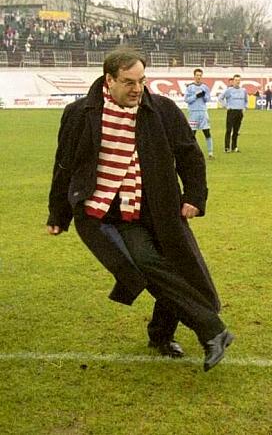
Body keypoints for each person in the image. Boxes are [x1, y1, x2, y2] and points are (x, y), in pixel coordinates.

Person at [46, 48, 234, 372]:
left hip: (149, 208)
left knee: (161, 264)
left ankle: (177, 334)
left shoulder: (161, 110)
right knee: (137, 271)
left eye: (142, 80)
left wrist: (195, 197)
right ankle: (211, 330)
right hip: (96, 211)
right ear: (109, 80)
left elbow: (190, 156)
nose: (137, 89)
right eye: (129, 82)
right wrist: (58, 214)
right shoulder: (79, 113)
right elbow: (64, 165)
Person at [184, 68, 214, 159]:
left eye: (200, 75)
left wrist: (204, 96)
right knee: (192, 134)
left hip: (203, 112)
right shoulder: (190, 87)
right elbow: (186, 100)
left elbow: (208, 99)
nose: (198, 77)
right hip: (193, 113)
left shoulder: (205, 87)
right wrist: (195, 96)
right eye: (197, 75)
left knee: (207, 132)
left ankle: (210, 153)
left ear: (202, 76)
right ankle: (192, 153)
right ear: (194, 76)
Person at [218, 74, 247, 153]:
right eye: (236, 80)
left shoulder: (243, 90)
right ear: (233, 81)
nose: (238, 82)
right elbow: (220, 98)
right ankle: (227, 147)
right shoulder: (229, 90)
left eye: (239, 80)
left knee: (236, 131)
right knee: (228, 130)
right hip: (231, 112)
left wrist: (244, 107)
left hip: (239, 112)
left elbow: (245, 100)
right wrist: (226, 106)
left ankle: (234, 147)